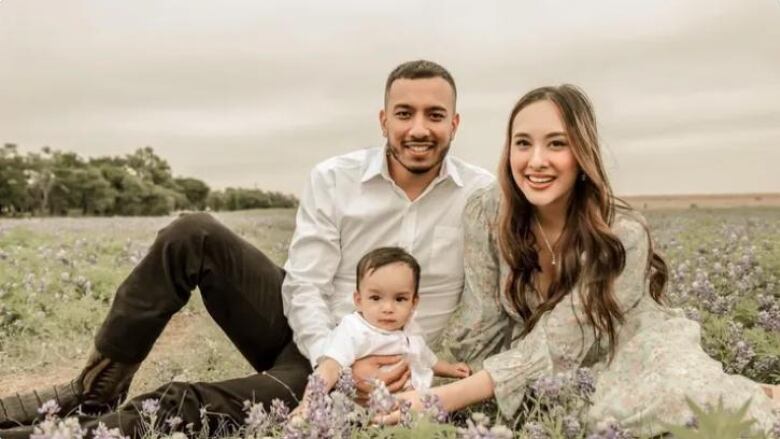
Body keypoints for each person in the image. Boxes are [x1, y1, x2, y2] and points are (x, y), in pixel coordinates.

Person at [0, 60, 493, 437]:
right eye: (405, 113)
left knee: (185, 402)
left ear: (456, 123)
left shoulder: (483, 196)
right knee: (192, 232)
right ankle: (95, 391)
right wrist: (335, 362)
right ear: (384, 120)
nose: (419, 129)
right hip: (317, 338)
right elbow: (303, 286)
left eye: (435, 115)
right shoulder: (336, 177)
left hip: (388, 360)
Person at [383, 84, 778, 436]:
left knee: (626, 411)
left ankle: (754, 396)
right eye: (523, 143)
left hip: (628, 345)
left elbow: (561, 342)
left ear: (582, 152)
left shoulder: (622, 234)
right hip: (533, 354)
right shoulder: (486, 212)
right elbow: (480, 322)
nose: (536, 161)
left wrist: (444, 400)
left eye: (557, 144)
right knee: (546, 403)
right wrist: (429, 381)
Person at [295, 246, 470, 415]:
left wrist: (450, 370)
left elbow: (427, 358)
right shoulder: (354, 330)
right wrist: (309, 403)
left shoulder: (410, 330)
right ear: (359, 300)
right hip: (362, 409)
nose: (388, 308)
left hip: (411, 407)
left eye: (400, 299)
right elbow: (329, 368)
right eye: (376, 298)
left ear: (414, 302)